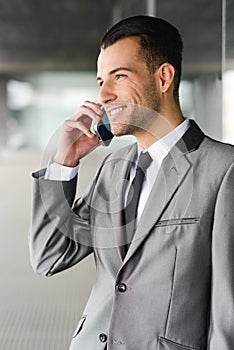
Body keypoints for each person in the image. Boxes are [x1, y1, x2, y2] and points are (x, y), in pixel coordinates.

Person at [29, 15, 234, 350]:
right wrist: (63, 163)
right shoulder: (114, 168)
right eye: (100, 81)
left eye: (119, 77)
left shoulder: (224, 170)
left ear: (164, 77)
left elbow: (228, 312)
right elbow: (49, 255)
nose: (104, 94)